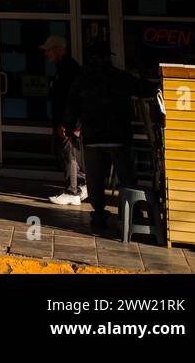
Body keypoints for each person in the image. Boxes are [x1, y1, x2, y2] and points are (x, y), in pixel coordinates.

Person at [62, 44, 156, 231]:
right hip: (118, 137)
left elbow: (71, 105)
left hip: (93, 137)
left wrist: (71, 129)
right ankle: (132, 213)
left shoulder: (83, 79)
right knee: (127, 177)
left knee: (95, 179)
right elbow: (144, 89)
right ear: (108, 59)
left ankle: (98, 216)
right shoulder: (119, 76)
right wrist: (145, 75)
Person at [42, 35, 85, 205]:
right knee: (67, 153)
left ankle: (72, 191)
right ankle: (79, 186)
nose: (46, 54)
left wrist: (66, 123)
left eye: (49, 50)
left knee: (69, 154)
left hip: (68, 122)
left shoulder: (68, 69)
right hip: (67, 120)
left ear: (59, 49)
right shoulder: (63, 68)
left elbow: (70, 99)